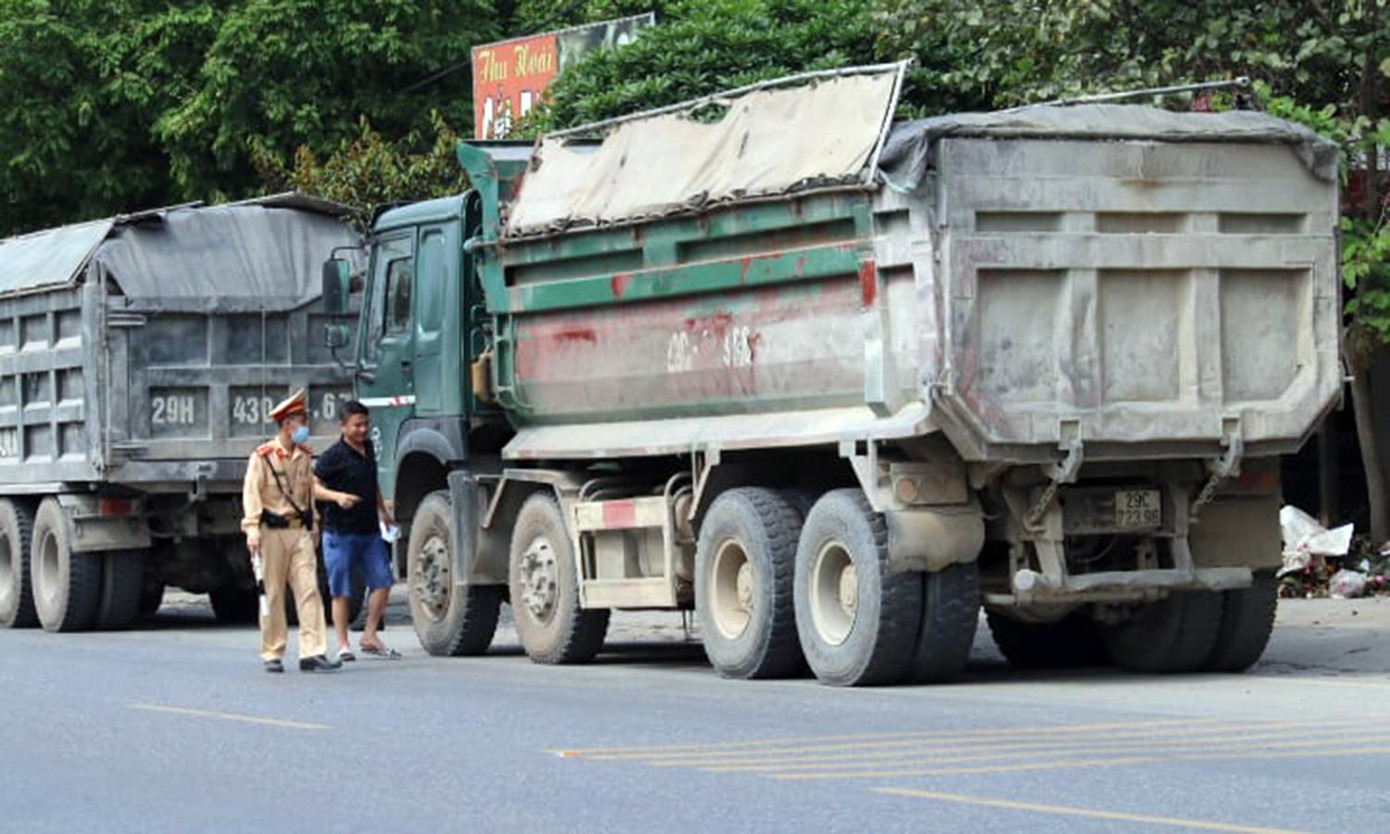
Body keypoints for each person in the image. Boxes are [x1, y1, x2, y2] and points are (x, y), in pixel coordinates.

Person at [240, 389, 339, 673]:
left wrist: (314, 524)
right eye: (301, 420)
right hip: (270, 532)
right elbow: (252, 494)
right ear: (287, 424)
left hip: (300, 532)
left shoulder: (305, 456)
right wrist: (252, 530)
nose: (306, 425)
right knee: (271, 593)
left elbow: (307, 494)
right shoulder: (263, 457)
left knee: (309, 590)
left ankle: (313, 652)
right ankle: (272, 651)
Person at [313, 399, 400, 661]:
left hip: (370, 532)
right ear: (343, 426)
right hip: (340, 533)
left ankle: (370, 634)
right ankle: (342, 644)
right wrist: (336, 497)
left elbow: (371, 482)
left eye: (366, 424)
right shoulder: (333, 456)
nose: (363, 430)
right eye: (357, 425)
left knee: (383, 582)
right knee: (341, 590)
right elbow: (312, 486)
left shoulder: (369, 448)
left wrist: (383, 513)